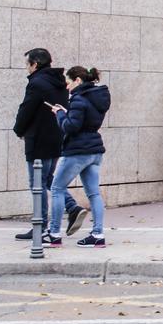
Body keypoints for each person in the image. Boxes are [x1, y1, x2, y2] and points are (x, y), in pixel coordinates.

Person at [11, 48, 86, 241]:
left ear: (35, 64)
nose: (27, 68)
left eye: (28, 64)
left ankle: (41, 226)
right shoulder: (59, 81)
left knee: (37, 182)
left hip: (38, 139)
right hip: (56, 137)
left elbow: (26, 109)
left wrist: (19, 130)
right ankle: (72, 207)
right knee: (47, 178)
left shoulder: (37, 83)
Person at [46, 66, 110, 247]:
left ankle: (54, 233)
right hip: (95, 149)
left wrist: (59, 113)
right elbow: (84, 120)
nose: (67, 87)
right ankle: (98, 235)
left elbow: (70, 127)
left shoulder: (78, 99)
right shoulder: (98, 97)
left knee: (57, 188)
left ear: (78, 81)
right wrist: (67, 113)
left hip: (77, 150)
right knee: (94, 193)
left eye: (68, 83)